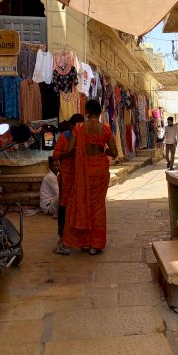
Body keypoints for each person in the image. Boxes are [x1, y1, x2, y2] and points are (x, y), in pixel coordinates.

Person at [56, 99, 118, 256]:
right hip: (100, 171)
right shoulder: (105, 130)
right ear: (99, 113)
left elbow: (70, 150)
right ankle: (94, 245)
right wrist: (104, 152)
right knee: (97, 207)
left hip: (83, 171)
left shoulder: (79, 128)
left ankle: (82, 241)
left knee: (81, 204)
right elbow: (115, 152)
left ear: (87, 111)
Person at [53, 114, 84, 243]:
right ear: (72, 126)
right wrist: (67, 153)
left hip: (80, 175)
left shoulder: (83, 136)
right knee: (64, 204)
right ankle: (62, 232)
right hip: (67, 175)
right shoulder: (64, 137)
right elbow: (55, 155)